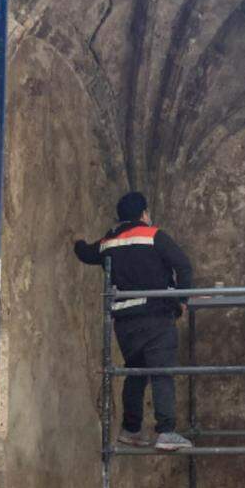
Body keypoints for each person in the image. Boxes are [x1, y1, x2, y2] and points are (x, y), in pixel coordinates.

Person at [74, 191, 194, 451]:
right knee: (161, 372)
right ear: (143, 214)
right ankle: (166, 431)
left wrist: (76, 240)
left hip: (126, 323)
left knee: (135, 373)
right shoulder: (153, 235)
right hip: (156, 318)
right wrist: (183, 298)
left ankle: (131, 429)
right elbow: (183, 265)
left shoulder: (109, 242)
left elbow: (85, 253)